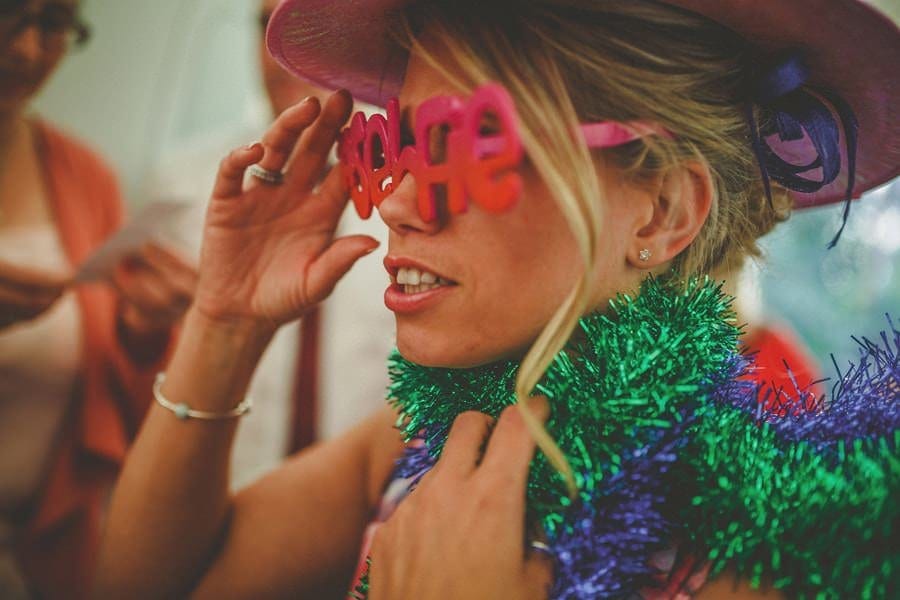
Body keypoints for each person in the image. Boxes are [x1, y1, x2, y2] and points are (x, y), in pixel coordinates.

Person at [95, 0, 899, 598]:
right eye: (393, 146)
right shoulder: (425, 441)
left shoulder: (743, 546)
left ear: (661, 211)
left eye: (460, 147)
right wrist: (226, 322)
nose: (398, 202)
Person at [145, 0, 393, 490]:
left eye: (307, 26)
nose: (280, 52)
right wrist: (141, 322)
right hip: (217, 491)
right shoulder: (182, 185)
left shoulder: (420, 185)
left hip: (380, 500)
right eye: (266, 26)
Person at [0, 1, 194, 596]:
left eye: (56, 24)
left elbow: (112, 389)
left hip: (42, 546)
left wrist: (142, 329)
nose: (30, 50)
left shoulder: (85, 176)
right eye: (9, 16)